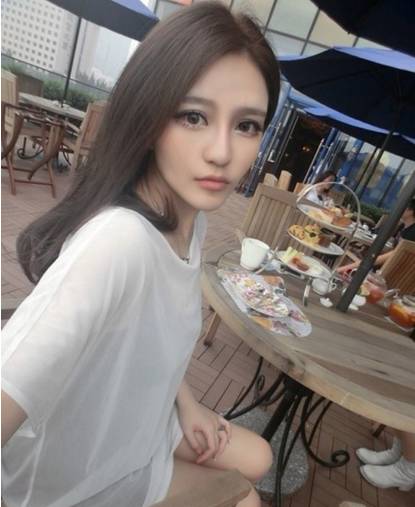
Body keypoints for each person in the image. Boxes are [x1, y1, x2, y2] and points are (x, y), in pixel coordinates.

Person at [1, 3, 281, 507]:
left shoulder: (192, 223)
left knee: (260, 456)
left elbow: (154, 341)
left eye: (246, 125)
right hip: (81, 469)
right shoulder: (118, 243)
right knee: (247, 499)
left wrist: (186, 402)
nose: (222, 152)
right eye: (194, 116)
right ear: (149, 116)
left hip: (138, 417)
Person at [337, 198, 415, 276]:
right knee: (358, 253)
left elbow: (395, 254)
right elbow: (392, 247)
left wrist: (354, 265)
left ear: (410, 211)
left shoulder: (412, 232)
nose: (397, 209)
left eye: (402, 207)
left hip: (392, 270)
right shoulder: (403, 226)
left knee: (354, 257)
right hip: (386, 262)